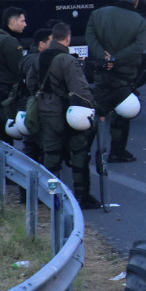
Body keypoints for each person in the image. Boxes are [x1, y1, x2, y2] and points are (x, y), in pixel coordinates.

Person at [33, 21, 101, 210]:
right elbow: (80, 89)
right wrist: (94, 106)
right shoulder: (67, 60)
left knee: (51, 154)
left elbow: (31, 83)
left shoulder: (39, 58)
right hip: (67, 112)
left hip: (45, 111)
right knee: (79, 152)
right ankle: (81, 195)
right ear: (68, 38)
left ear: (53, 37)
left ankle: (50, 196)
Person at [85, 0, 146, 162]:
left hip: (101, 73)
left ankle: (84, 150)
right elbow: (139, 46)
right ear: (136, 2)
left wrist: (103, 57)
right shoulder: (139, 21)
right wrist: (116, 59)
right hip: (124, 75)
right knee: (122, 115)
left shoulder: (98, 14)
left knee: (95, 112)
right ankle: (117, 151)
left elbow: (90, 37)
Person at [0, 6, 27, 146]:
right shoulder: (10, 42)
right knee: (4, 131)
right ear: (13, 22)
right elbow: (20, 69)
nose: (25, 24)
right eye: (22, 21)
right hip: (6, 93)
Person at [19, 27, 53, 166]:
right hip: (34, 107)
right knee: (35, 145)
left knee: (31, 144)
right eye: (51, 41)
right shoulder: (36, 60)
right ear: (42, 44)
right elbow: (32, 85)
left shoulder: (29, 58)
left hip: (28, 105)